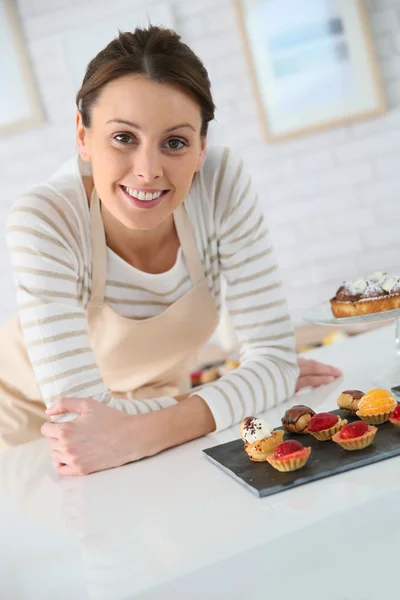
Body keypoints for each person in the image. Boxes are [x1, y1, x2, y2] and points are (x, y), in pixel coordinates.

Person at [1, 25, 341, 475]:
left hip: (152, 425)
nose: (147, 171)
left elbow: (276, 361)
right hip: (24, 428)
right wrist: (245, 389)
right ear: (82, 135)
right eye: (124, 138)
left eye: (175, 143)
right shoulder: (46, 219)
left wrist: (150, 425)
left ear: (201, 148)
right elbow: (77, 423)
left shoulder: (219, 185)